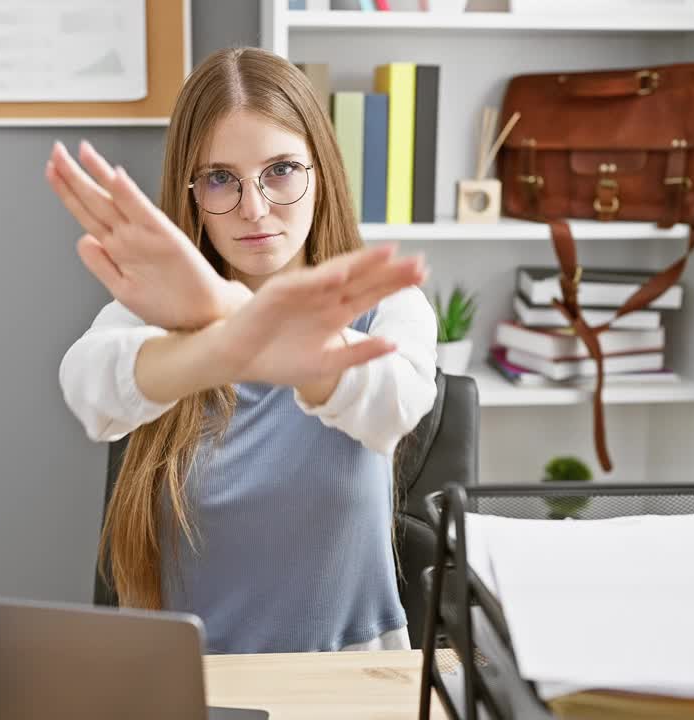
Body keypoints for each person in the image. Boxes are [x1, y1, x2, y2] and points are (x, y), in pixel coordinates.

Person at [49, 46, 438, 654]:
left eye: (281, 169)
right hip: (196, 683)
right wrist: (221, 333)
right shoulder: (159, 311)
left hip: (351, 685)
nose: (254, 209)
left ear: (321, 170)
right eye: (221, 178)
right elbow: (89, 387)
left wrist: (234, 319)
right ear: (193, 191)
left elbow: (392, 407)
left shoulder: (389, 306)